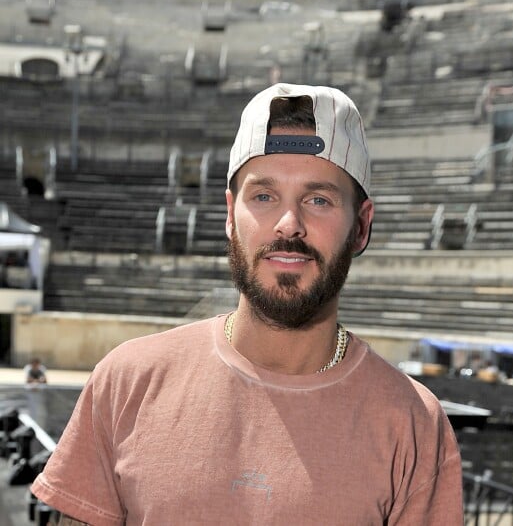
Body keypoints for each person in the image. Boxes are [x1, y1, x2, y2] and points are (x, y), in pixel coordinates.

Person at [31, 83, 463, 525]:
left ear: (361, 226)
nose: (288, 225)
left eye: (318, 200)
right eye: (263, 196)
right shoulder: (126, 383)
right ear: (229, 215)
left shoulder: (414, 426)